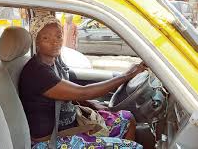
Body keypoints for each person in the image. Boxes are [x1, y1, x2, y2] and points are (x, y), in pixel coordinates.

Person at [19, 14, 145, 149]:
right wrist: (127, 75)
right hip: (50, 141)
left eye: (58, 36)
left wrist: (92, 105)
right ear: (36, 41)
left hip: (71, 125)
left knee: (127, 118)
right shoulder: (37, 72)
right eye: (46, 38)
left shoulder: (54, 62)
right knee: (132, 147)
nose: (54, 42)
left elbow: (69, 94)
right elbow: (83, 93)